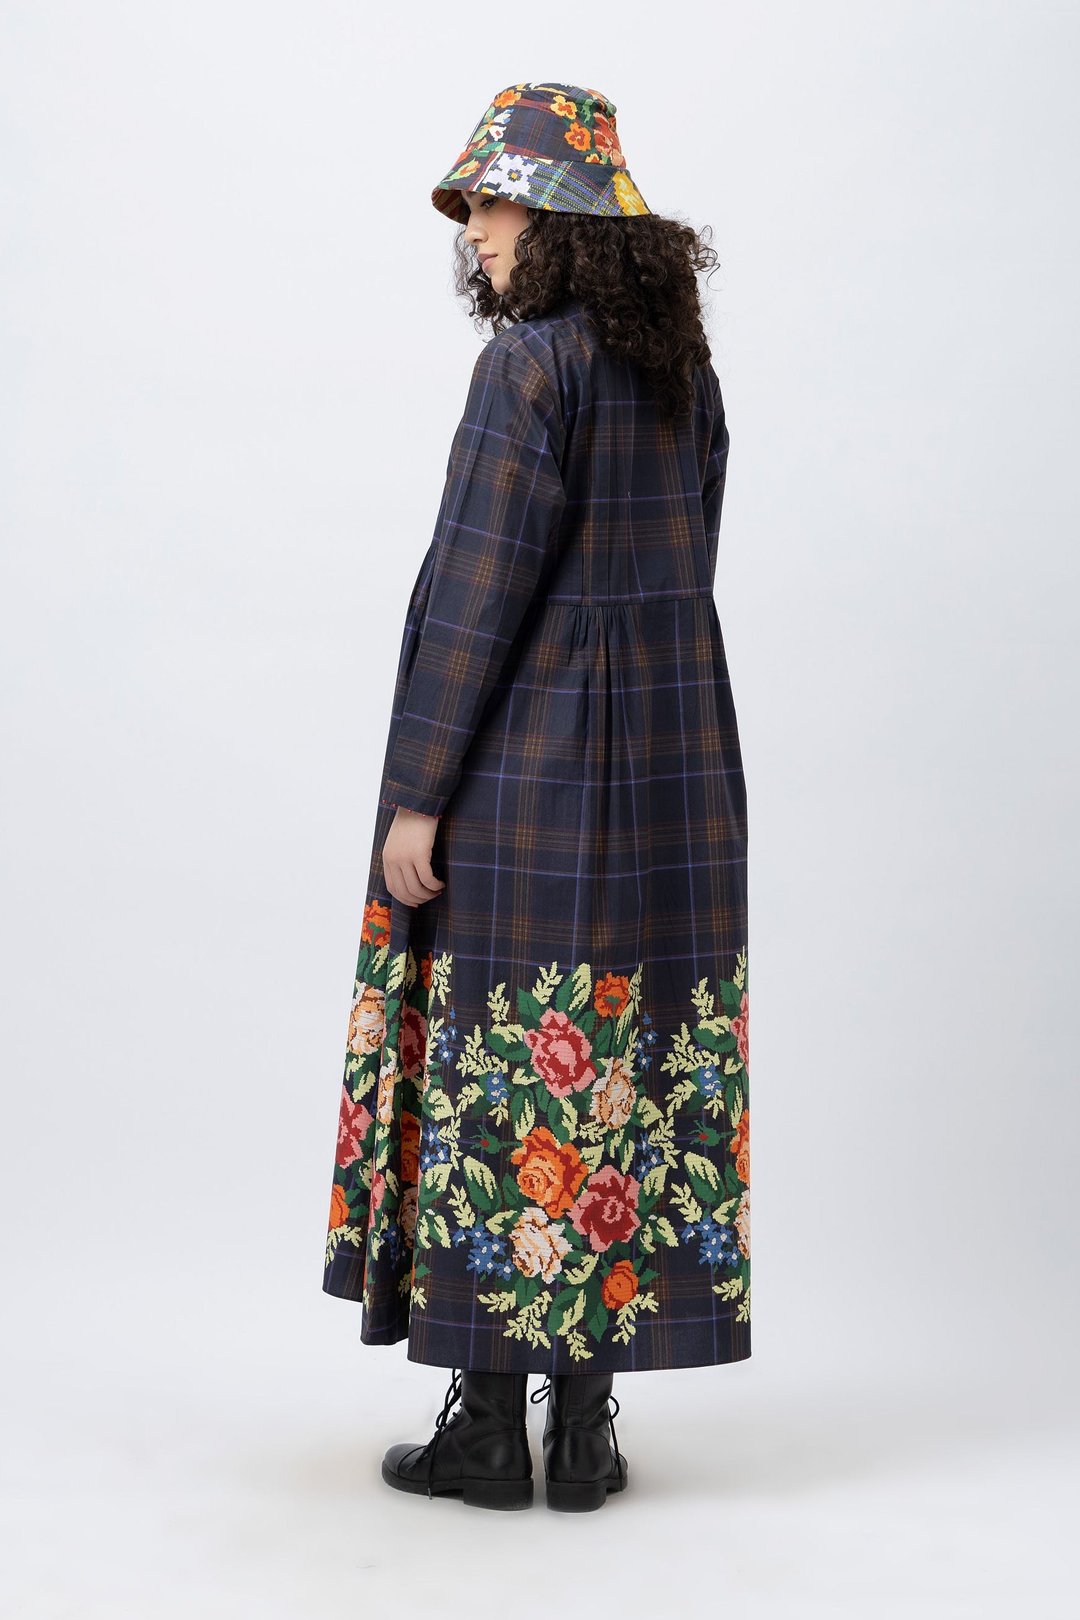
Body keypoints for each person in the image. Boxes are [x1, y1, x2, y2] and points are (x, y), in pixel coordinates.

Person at [322, 80, 750, 1512]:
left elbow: (477, 594)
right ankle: (587, 1432)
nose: (477, 229)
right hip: (675, 772)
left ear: (563, 219)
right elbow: (694, 554)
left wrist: (417, 796)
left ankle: (490, 1431)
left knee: (505, 1075)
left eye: (497, 202)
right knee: (617, 1072)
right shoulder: (682, 373)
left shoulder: (526, 367)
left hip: (532, 766)